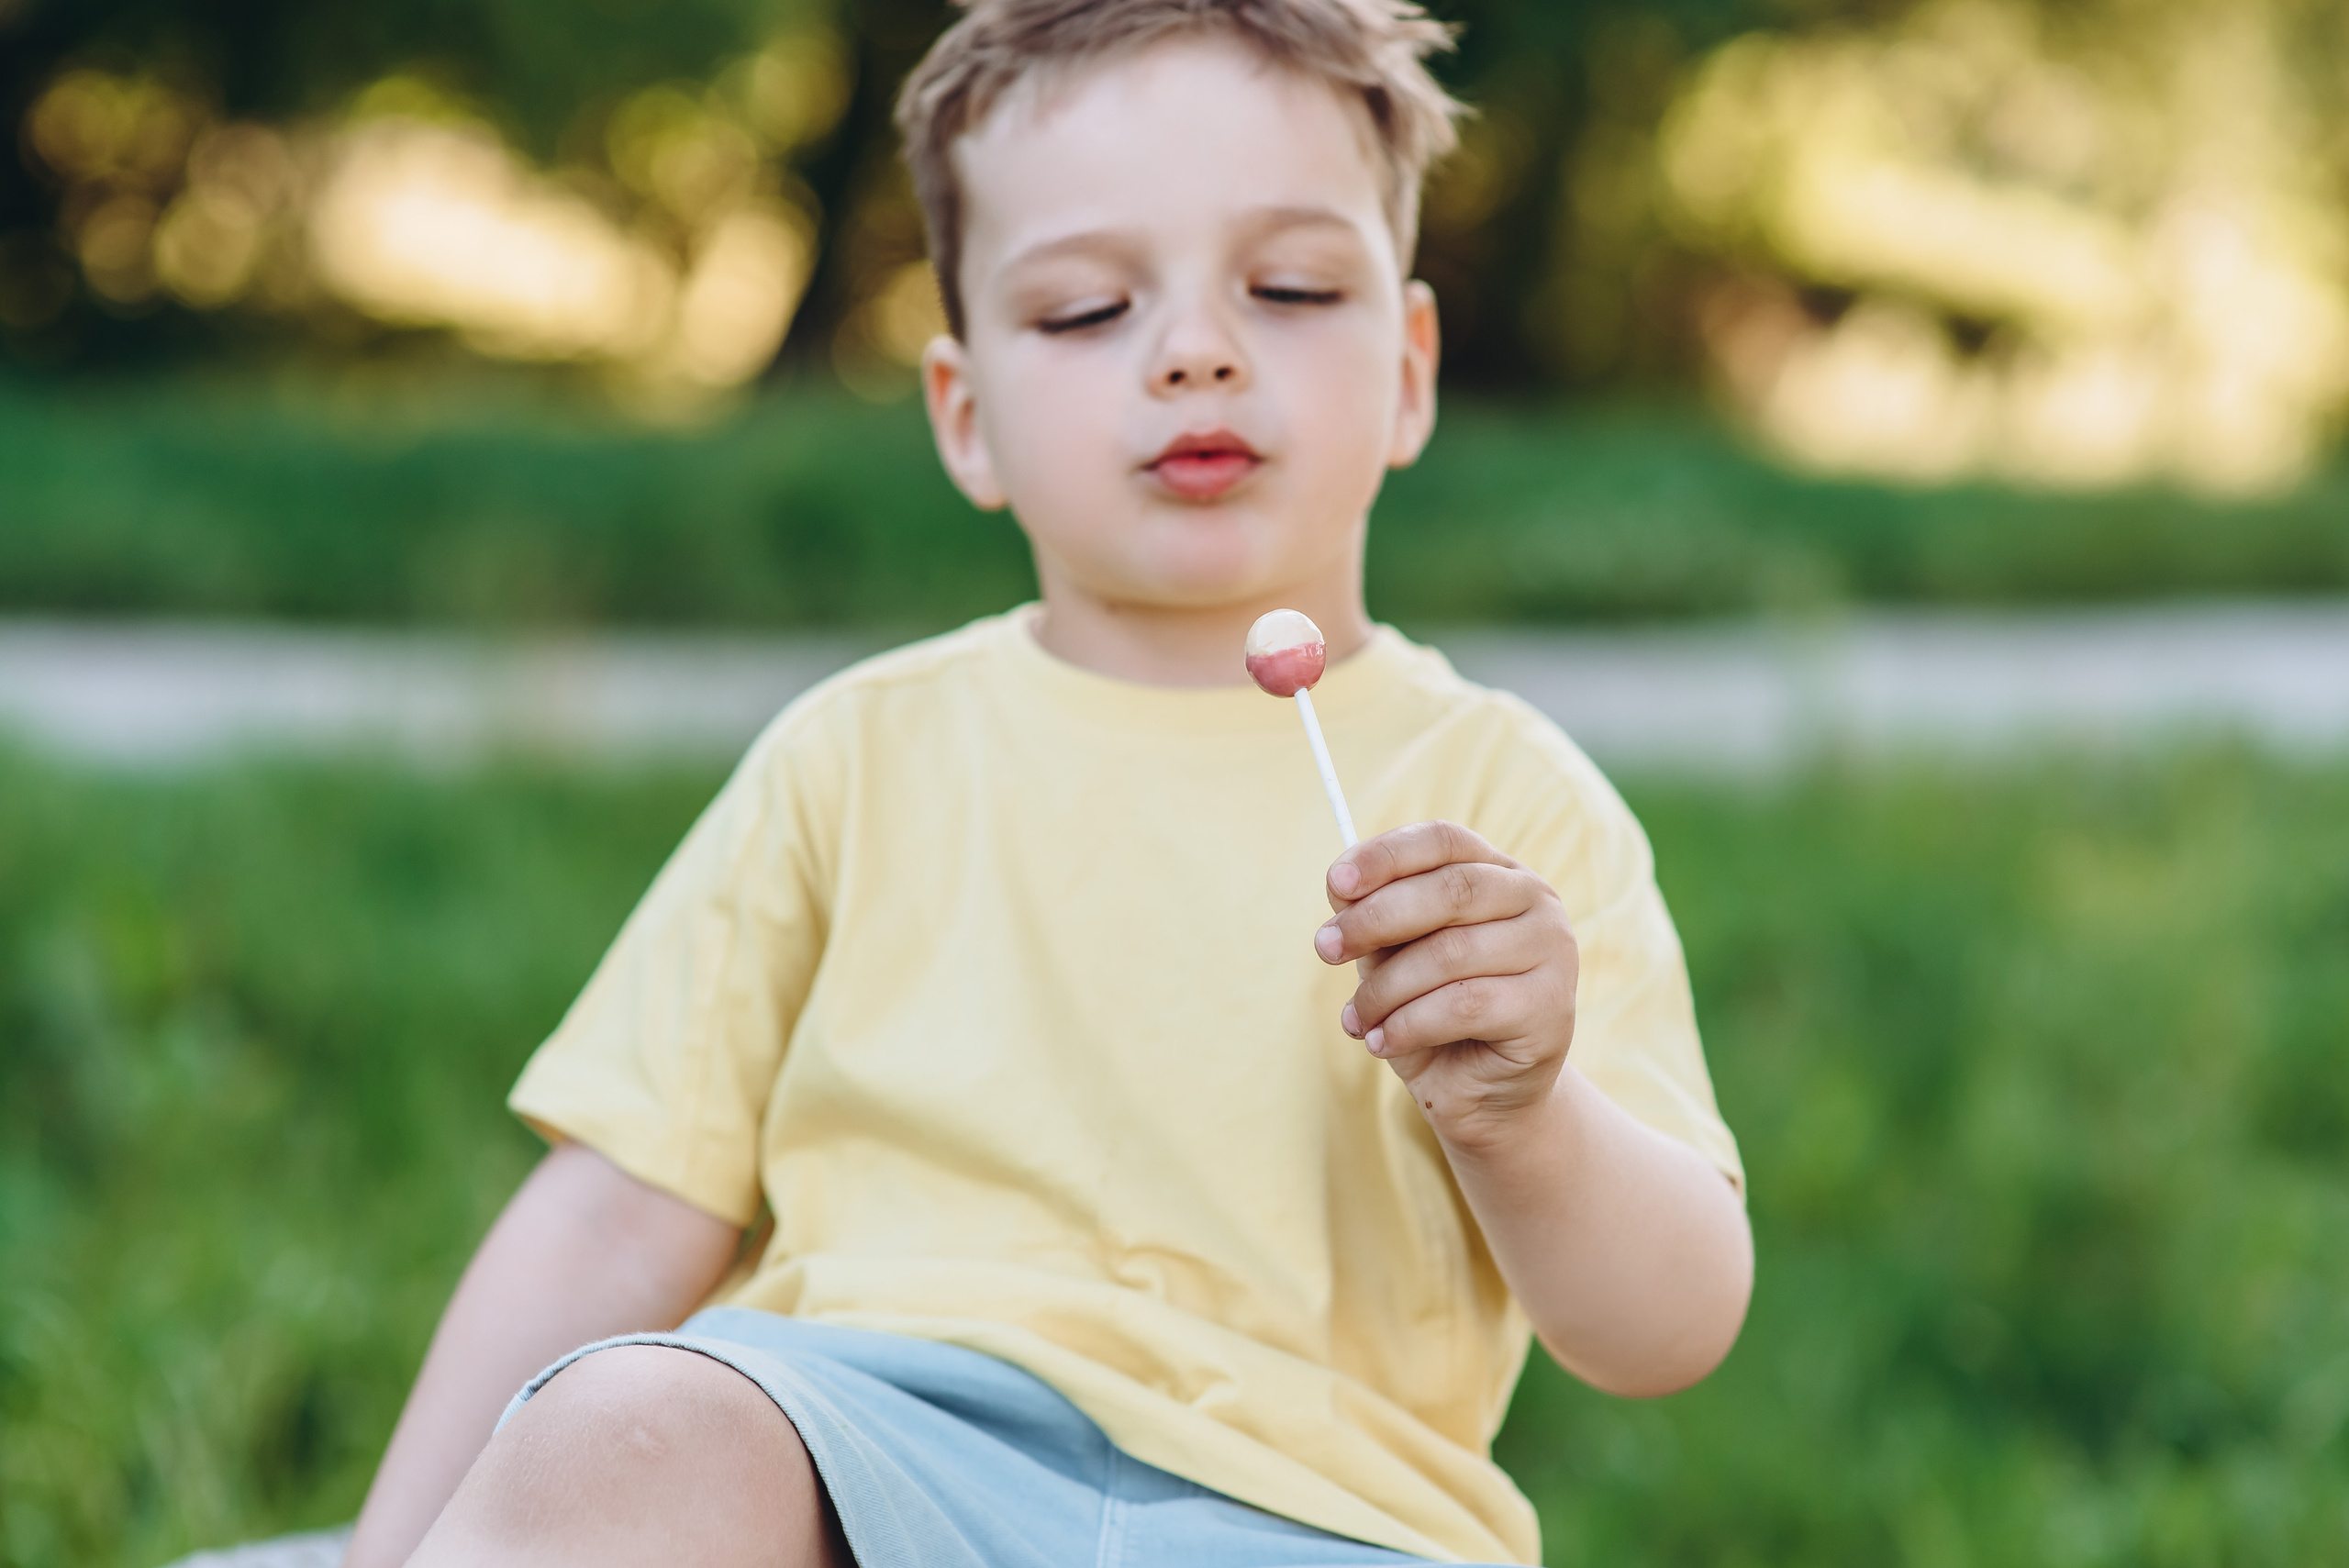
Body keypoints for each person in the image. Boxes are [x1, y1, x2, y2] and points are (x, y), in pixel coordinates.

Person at [340, 2, 1752, 1563]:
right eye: (1087, 310)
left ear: (1411, 371)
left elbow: (1667, 1326)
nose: (1197, 350)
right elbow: (612, 1216)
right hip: (873, 1441)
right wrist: (387, 1550)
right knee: (625, 1430)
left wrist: (1528, 1117)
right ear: (966, 416)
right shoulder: (853, 758)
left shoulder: (1507, 807)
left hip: (1312, 1514)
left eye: (1289, 288)